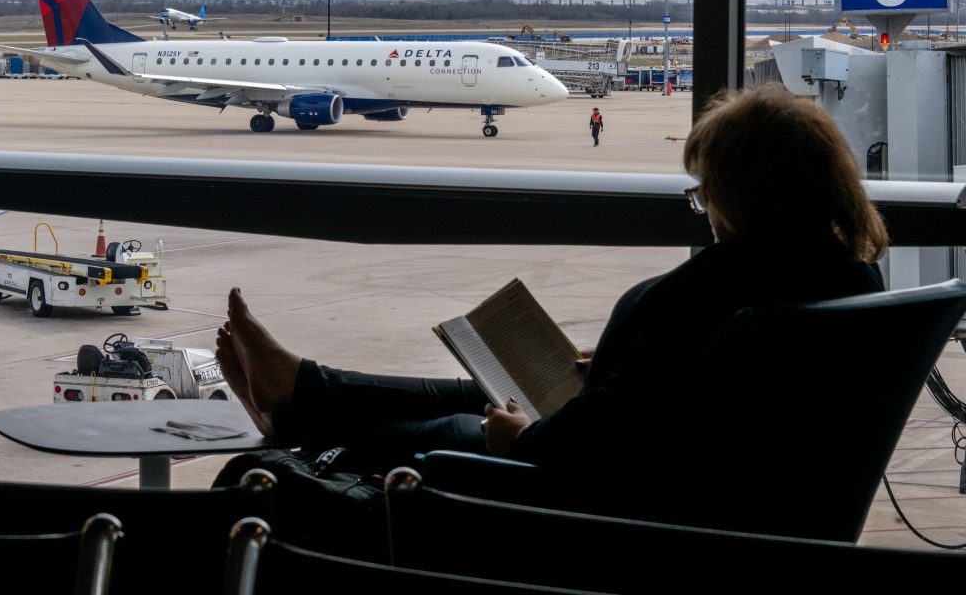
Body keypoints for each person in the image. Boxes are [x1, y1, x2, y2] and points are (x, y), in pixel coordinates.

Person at [215, 83, 887, 488]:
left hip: (603, 513)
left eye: (704, 192)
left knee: (461, 416)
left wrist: (518, 439)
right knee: (486, 384)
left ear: (737, 197)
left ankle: (299, 409)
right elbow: (722, 398)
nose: (704, 208)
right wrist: (624, 367)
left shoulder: (690, 295)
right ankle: (301, 388)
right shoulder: (852, 283)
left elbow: (577, 454)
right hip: (723, 502)